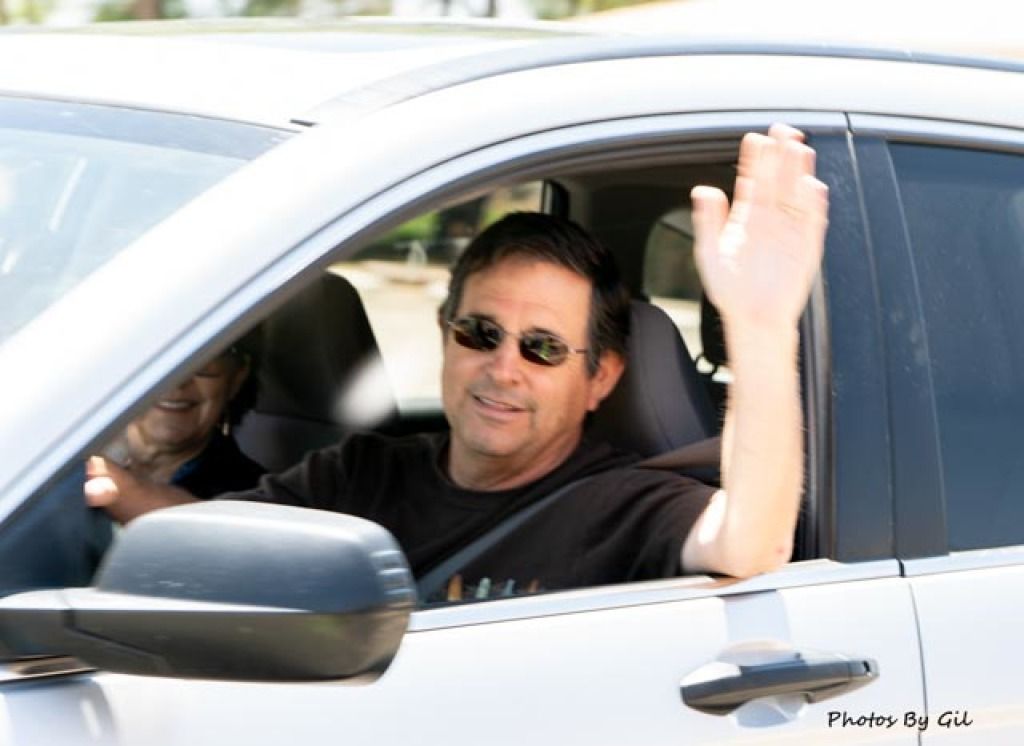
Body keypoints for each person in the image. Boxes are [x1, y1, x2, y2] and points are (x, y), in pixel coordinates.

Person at [85, 125, 828, 599]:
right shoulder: (360, 473)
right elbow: (210, 537)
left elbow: (751, 543)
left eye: (542, 348)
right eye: (480, 333)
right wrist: (95, 479)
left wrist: (759, 327)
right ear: (445, 335)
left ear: (599, 377)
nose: (502, 368)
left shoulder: (625, 505)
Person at [100, 337, 265, 499]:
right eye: (156, 360)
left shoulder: (250, 501)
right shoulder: (79, 455)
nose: (178, 382)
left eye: (203, 361)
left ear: (237, 378)